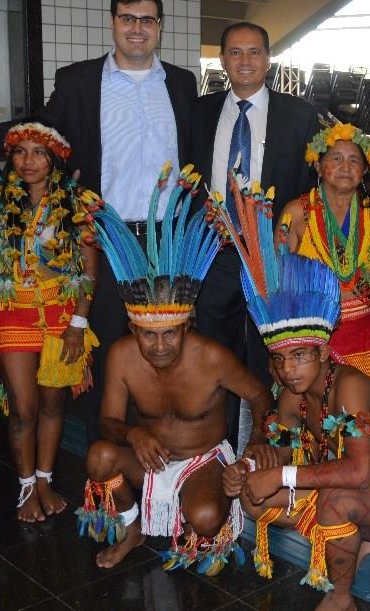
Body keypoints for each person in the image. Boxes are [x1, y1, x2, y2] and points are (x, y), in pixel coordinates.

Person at [211, 179, 370, 611]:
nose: (288, 369)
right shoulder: (295, 391)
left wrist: (282, 477)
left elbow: (358, 471)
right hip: (348, 488)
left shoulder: (350, 386)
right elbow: (281, 448)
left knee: (336, 498)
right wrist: (248, 466)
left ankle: (342, 595)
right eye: (279, 360)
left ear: (323, 352)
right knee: (251, 494)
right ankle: (348, 538)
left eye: (299, 357)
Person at [75, 166, 274, 573]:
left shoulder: (211, 357)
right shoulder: (122, 356)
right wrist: (133, 434)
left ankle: (191, 506)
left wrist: (253, 444)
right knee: (99, 458)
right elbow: (108, 422)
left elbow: (259, 394)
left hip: (203, 459)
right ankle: (133, 528)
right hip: (149, 460)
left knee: (205, 517)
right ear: (133, 329)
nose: (160, 346)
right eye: (149, 335)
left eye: (170, 334)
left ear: (186, 327)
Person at [39, 0, 198, 445]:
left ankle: (163, 445)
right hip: (106, 238)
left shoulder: (182, 83)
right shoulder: (78, 81)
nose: (137, 28)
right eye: (128, 18)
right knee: (110, 341)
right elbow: (42, 135)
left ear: (159, 27)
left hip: (167, 240)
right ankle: (106, 449)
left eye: (147, 20)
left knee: (165, 342)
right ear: (113, 23)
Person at [192, 21, 321, 451]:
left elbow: (314, 185)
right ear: (222, 60)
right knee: (218, 356)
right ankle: (221, 449)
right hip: (217, 254)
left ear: (268, 59)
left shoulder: (300, 116)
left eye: (253, 52)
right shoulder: (200, 112)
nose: (244, 60)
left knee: (274, 355)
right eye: (234, 52)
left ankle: (271, 449)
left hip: (273, 257)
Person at [0, 122, 100, 522]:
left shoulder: (76, 203)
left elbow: (89, 270)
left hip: (60, 317)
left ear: (54, 159)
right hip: (12, 312)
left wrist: (78, 324)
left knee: (52, 404)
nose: (28, 161)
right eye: (20, 152)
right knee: (23, 406)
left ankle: (46, 481)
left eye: (38, 153)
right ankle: (26, 487)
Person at [279, 121, 370, 383]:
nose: (345, 167)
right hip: (316, 336)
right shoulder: (297, 213)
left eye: (354, 160)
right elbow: (278, 285)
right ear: (318, 165)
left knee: (363, 406)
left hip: (368, 334)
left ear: (364, 171)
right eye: (336, 158)